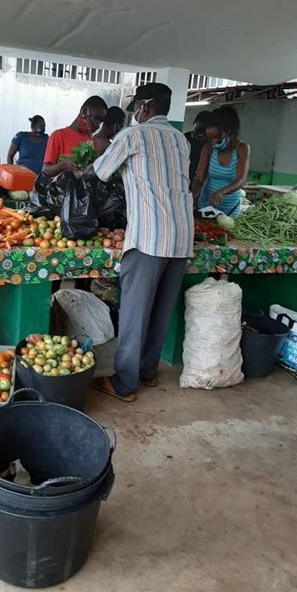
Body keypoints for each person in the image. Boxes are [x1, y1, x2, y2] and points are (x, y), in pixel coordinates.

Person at [91, 83, 194, 402]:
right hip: (182, 237)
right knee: (162, 308)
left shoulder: (133, 135)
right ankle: (147, 372)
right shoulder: (181, 140)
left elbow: (101, 172)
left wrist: (99, 142)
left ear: (145, 108)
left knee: (135, 311)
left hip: (149, 236)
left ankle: (124, 383)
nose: (136, 112)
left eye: (137, 107)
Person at [192, 106, 250, 217]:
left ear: (228, 131)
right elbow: (199, 179)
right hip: (205, 206)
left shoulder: (242, 149)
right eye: (209, 138)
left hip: (230, 209)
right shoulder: (208, 149)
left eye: (216, 137)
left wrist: (221, 192)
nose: (213, 142)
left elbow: (241, 179)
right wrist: (191, 198)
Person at [42, 96, 108, 178]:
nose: (97, 126)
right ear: (84, 111)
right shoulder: (58, 136)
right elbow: (45, 171)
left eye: (100, 122)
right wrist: (64, 165)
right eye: (96, 119)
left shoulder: (92, 143)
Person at [184, 110, 211, 186]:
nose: (200, 135)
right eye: (197, 131)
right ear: (194, 124)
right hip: (185, 176)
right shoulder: (185, 138)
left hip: (202, 179)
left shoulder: (209, 143)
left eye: (203, 133)